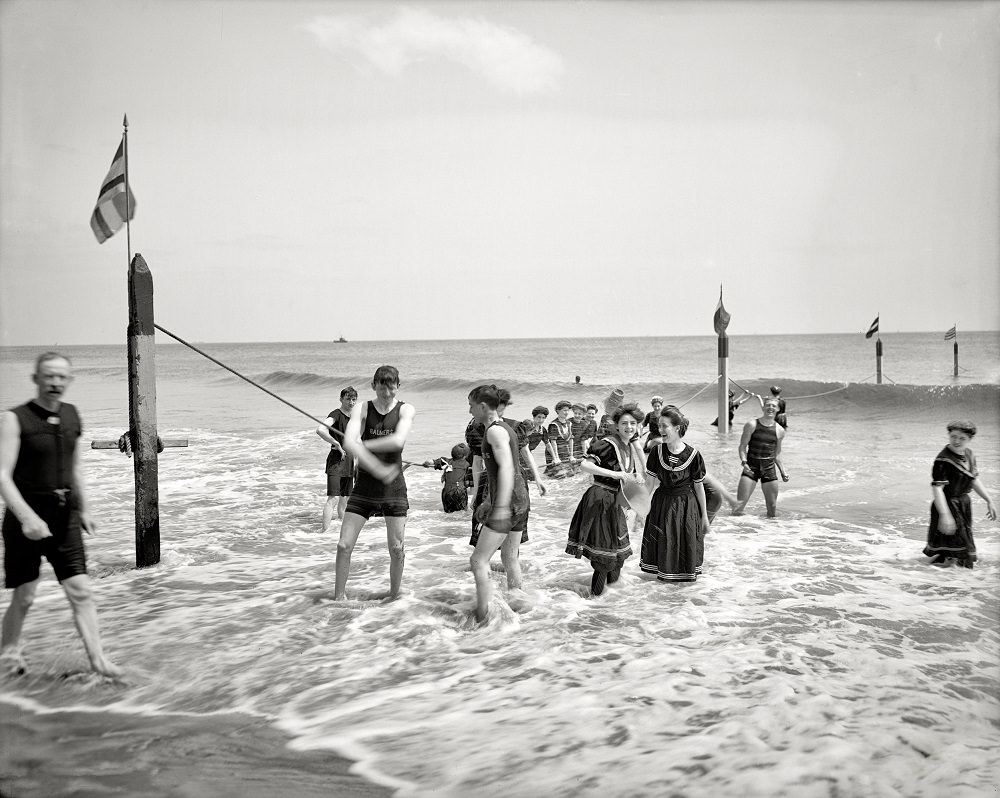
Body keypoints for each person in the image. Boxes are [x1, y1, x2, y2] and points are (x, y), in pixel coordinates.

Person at [0, 352, 122, 677]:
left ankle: (98, 661)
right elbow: (2, 475)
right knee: (24, 597)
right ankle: (9, 655)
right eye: (48, 375)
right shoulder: (15, 419)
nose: (55, 382)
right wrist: (27, 517)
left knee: (80, 589)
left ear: (69, 380)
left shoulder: (71, 415)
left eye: (61, 376)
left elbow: (75, 467)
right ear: (36, 379)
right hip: (24, 521)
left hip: (64, 517)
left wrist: (84, 507)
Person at [334, 366, 415, 601]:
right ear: (373, 386)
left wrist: (364, 447)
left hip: (393, 487)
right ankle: (339, 598)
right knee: (343, 545)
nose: (387, 393)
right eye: (382, 387)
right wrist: (374, 464)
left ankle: (394, 596)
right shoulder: (362, 408)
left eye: (391, 387)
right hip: (365, 486)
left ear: (398, 386)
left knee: (397, 548)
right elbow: (349, 442)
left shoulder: (406, 409)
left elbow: (398, 440)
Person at [565, 404, 645, 596]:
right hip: (600, 500)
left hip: (616, 502)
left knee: (618, 556)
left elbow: (627, 477)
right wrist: (616, 474)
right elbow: (585, 465)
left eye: (633, 423)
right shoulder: (608, 444)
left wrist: (638, 477)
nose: (629, 427)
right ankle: (594, 604)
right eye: (624, 423)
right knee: (605, 558)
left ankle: (606, 606)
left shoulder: (627, 446)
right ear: (616, 426)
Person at [467, 385, 530, 623]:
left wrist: (500, 505)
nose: (469, 410)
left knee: (478, 560)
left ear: (483, 407)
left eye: (471, 405)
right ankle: (519, 603)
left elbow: (506, 467)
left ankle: (485, 616)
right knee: (509, 557)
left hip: (509, 501)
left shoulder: (494, 432)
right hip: (521, 498)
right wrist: (490, 499)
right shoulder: (505, 427)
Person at [639, 407, 711, 583]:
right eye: (659, 426)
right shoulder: (656, 452)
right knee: (663, 551)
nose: (660, 430)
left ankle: (682, 600)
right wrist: (637, 509)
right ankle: (664, 599)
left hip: (686, 506)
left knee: (683, 551)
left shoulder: (694, 455)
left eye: (665, 426)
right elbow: (649, 484)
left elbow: (699, 487)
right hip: (661, 505)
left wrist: (705, 517)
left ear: (677, 428)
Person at [922, 421, 996, 569]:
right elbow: (938, 489)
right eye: (953, 436)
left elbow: (973, 479)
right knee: (959, 550)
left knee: (953, 551)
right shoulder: (943, 460)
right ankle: (954, 584)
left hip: (963, 504)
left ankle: (938, 577)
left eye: (962, 438)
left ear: (970, 439)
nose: (956, 441)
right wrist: (945, 515)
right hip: (947, 505)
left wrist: (989, 500)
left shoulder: (969, 454)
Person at [734, 397, 789, 518]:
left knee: (772, 508)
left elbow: (777, 454)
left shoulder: (780, 430)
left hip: (769, 468)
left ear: (778, 409)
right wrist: (744, 462)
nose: (770, 407)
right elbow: (742, 447)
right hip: (751, 467)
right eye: (768, 405)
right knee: (739, 506)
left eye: (773, 406)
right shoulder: (752, 425)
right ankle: (734, 532)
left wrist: (783, 472)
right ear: (763, 407)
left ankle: (769, 533)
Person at [316, 385, 358, 531]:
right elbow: (320, 429)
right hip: (336, 461)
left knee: (345, 499)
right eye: (348, 399)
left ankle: (341, 529)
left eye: (353, 399)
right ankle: (324, 532)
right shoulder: (336, 414)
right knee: (333, 499)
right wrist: (335, 443)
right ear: (341, 399)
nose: (351, 402)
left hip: (350, 461)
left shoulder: (355, 417)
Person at [545, 400, 577, 477]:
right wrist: (556, 458)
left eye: (568, 411)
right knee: (559, 476)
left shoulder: (569, 423)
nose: (566, 413)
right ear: (558, 411)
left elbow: (570, 440)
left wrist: (571, 456)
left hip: (565, 452)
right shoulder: (553, 425)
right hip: (554, 454)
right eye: (564, 410)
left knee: (571, 474)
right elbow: (553, 442)